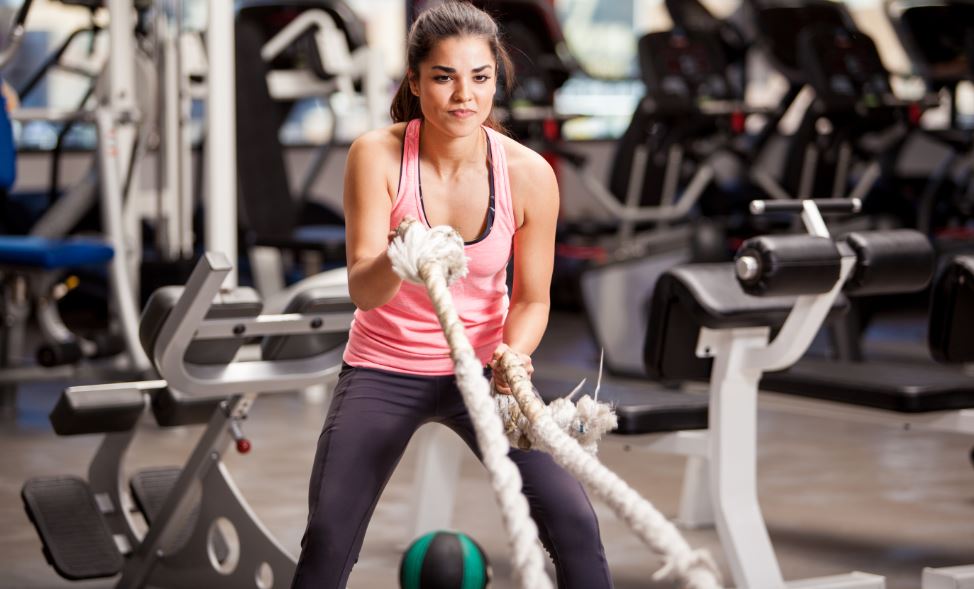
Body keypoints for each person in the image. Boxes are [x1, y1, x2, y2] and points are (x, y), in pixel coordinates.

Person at [290, 2, 612, 588]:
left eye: (480, 77)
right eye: (443, 77)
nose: (464, 95)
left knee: (574, 524)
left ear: (497, 79)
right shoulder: (377, 155)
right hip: (385, 368)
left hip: (487, 373)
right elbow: (363, 290)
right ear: (414, 81)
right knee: (329, 537)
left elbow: (532, 299)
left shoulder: (529, 173)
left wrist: (515, 354)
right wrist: (400, 256)